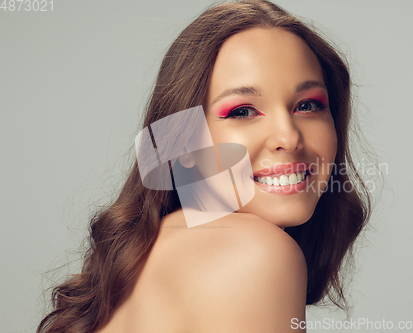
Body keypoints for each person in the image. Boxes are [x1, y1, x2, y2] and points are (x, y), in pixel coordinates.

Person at [37, 0, 371, 332]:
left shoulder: (153, 247)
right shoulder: (256, 253)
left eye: (308, 105)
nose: (288, 137)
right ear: (183, 138)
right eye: (242, 111)